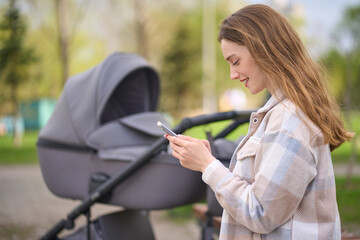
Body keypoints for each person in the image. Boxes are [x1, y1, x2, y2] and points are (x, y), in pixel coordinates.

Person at [165, 4, 354, 240]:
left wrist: (207, 166)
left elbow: (261, 213)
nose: (233, 74)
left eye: (235, 61)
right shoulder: (281, 113)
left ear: (264, 50)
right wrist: (210, 159)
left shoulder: (290, 122)